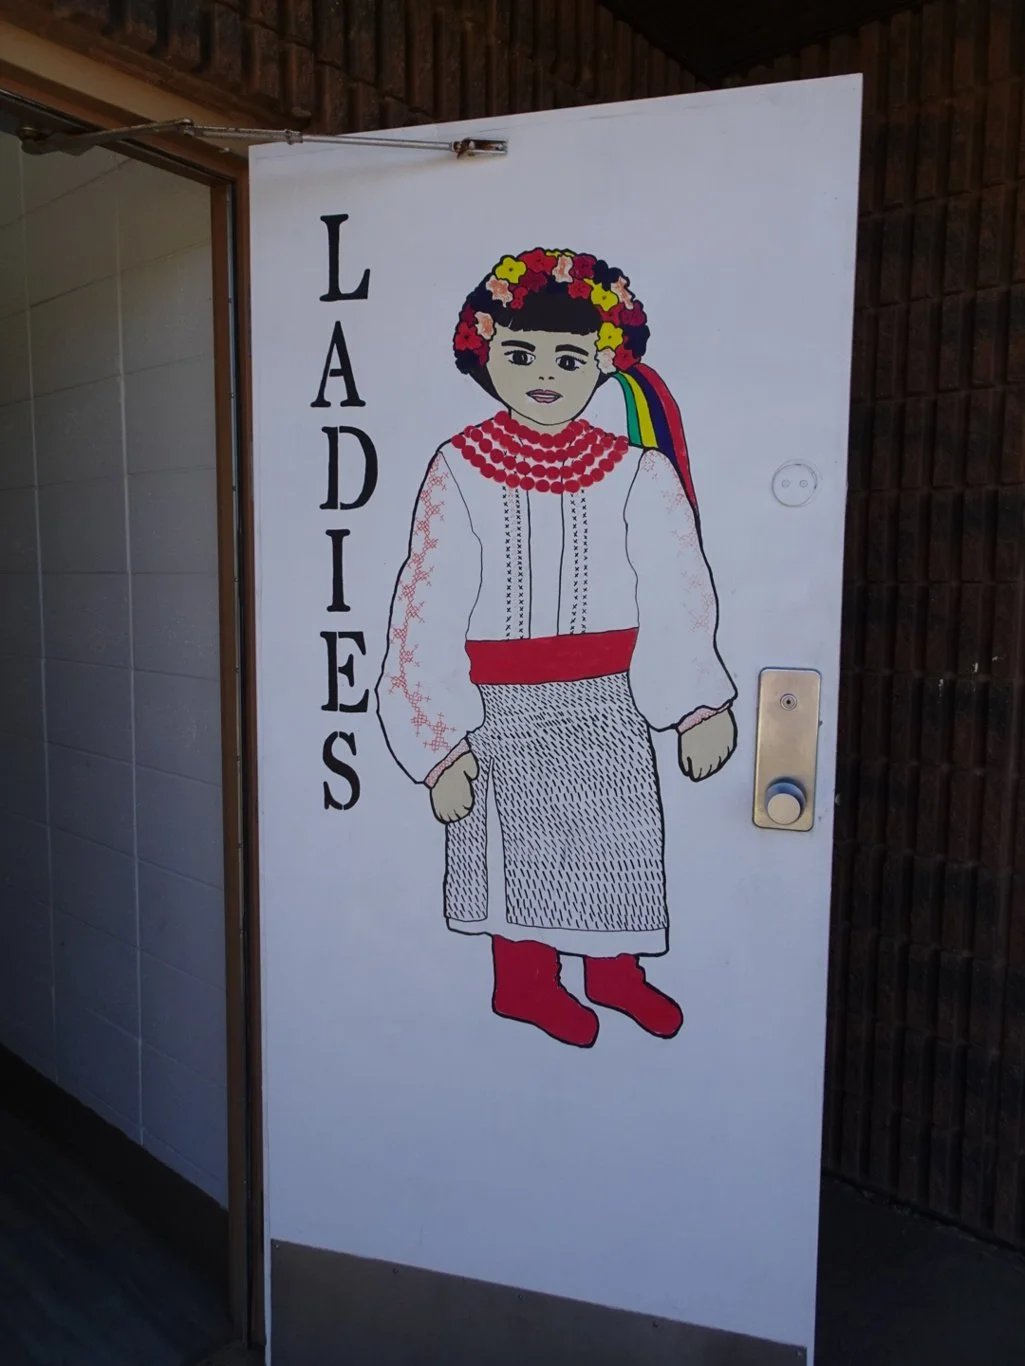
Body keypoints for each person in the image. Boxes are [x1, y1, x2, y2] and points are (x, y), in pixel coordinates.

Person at [377, 248, 736, 1048]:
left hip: (607, 701)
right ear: (485, 354)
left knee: (615, 844)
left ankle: (615, 973)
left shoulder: (635, 472)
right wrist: (436, 745)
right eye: (520, 354)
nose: (544, 374)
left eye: (568, 359)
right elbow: (425, 601)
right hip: (496, 708)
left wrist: (695, 705)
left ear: (603, 363)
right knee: (520, 854)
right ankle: (524, 984)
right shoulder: (460, 468)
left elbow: (676, 588)